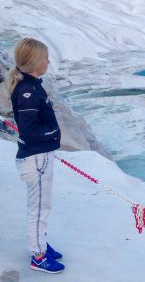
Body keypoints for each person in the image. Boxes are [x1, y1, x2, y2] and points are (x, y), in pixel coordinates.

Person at [7, 38, 64, 274]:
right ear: (35, 62)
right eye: (46, 58)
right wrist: (53, 134)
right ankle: (38, 255)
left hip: (39, 156)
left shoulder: (31, 84)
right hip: (36, 158)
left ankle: (40, 243)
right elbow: (30, 132)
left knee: (42, 205)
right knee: (39, 208)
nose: (49, 61)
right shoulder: (28, 91)